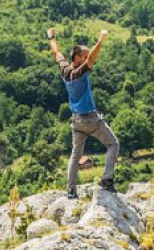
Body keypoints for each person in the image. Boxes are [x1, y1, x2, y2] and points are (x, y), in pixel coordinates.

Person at [47, 27, 119, 199]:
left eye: (86, 56)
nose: (87, 58)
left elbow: (56, 52)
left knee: (75, 155)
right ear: (77, 58)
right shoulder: (79, 72)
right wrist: (100, 40)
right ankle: (107, 180)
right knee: (113, 144)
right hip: (91, 119)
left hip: (76, 121)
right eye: (84, 56)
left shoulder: (65, 70)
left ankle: (71, 190)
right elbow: (93, 58)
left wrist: (51, 37)